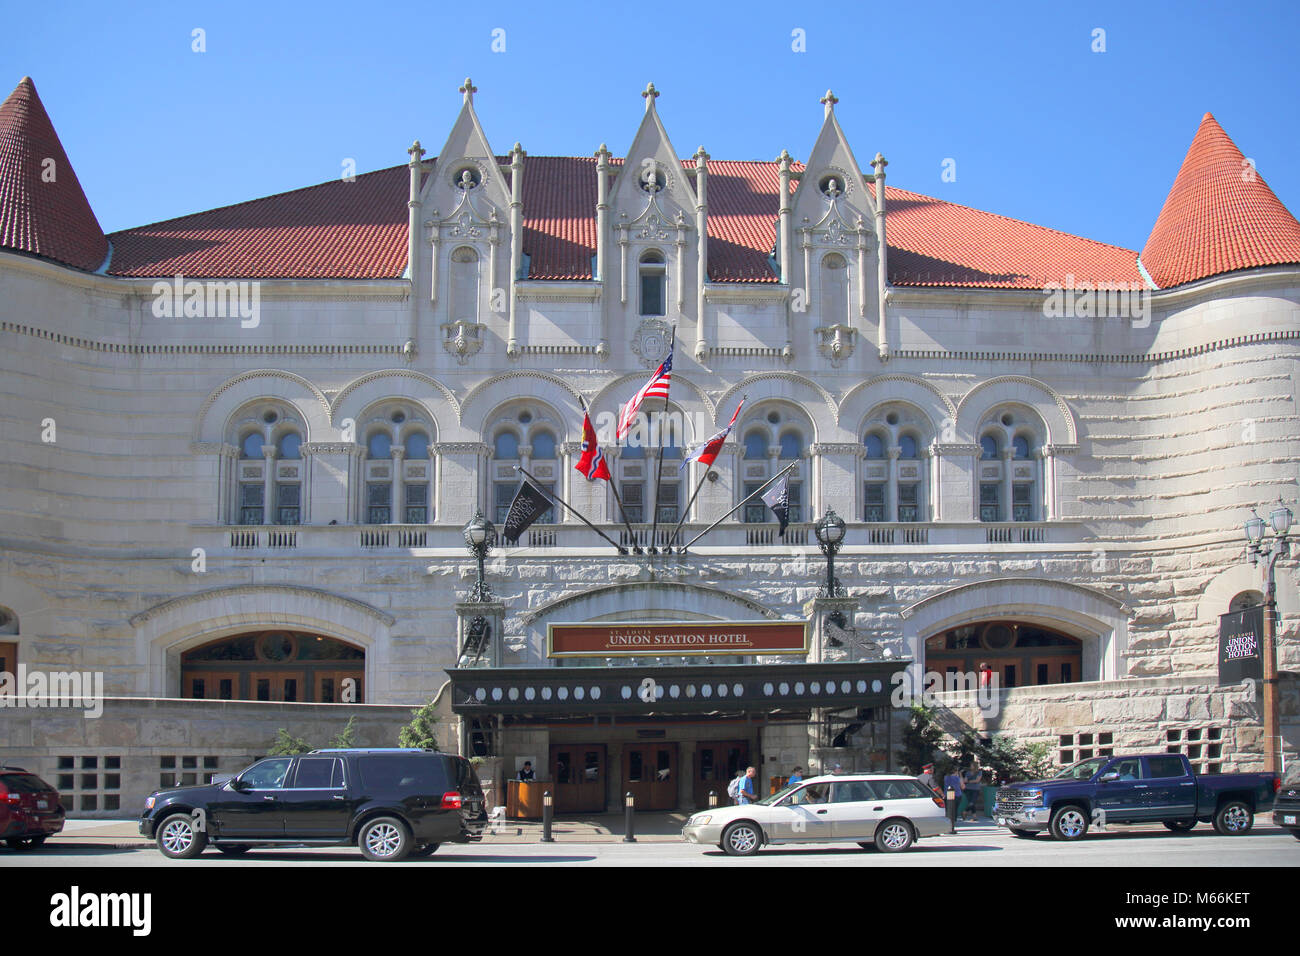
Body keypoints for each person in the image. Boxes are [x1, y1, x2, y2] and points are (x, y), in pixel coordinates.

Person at [942, 767, 964, 833]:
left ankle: (949, 824)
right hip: (957, 795)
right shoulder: (957, 778)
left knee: (949, 810)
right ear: (956, 771)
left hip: (947, 795)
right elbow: (963, 786)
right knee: (954, 810)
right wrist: (960, 775)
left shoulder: (945, 777)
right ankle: (953, 823)